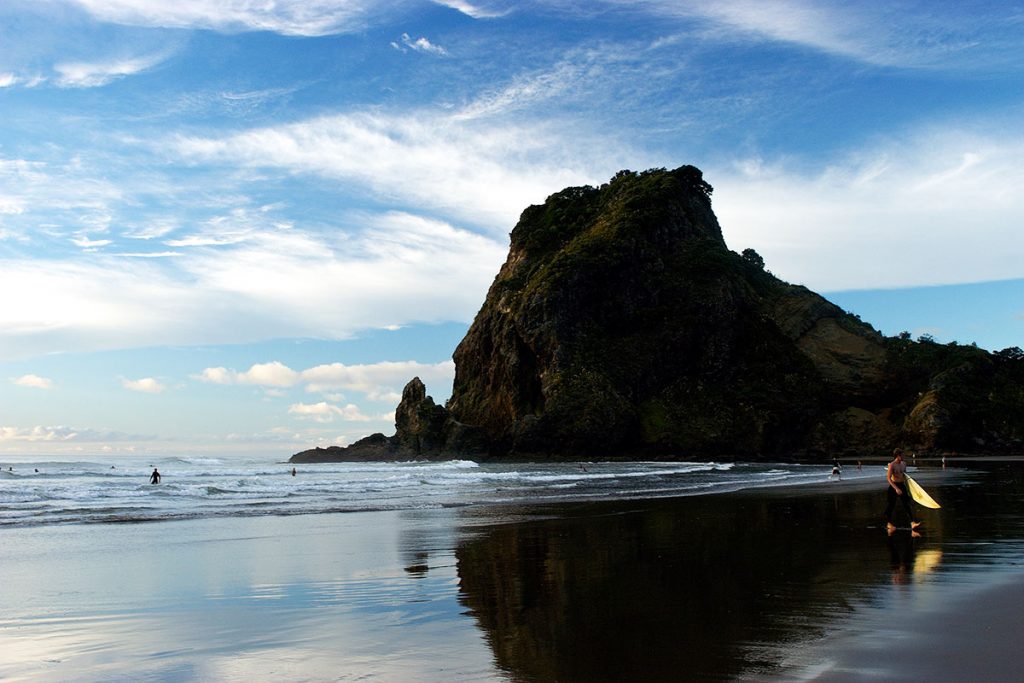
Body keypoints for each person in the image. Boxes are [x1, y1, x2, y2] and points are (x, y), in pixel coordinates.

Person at [885, 448, 919, 531]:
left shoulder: (904, 464)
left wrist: (910, 486)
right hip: (894, 487)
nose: (904, 456)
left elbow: (904, 475)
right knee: (891, 505)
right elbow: (888, 478)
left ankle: (912, 523)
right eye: (903, 455)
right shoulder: (892, 465)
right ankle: (889, 523)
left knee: (906, 503)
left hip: (902, 485)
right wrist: (896, 489)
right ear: (898, 456)